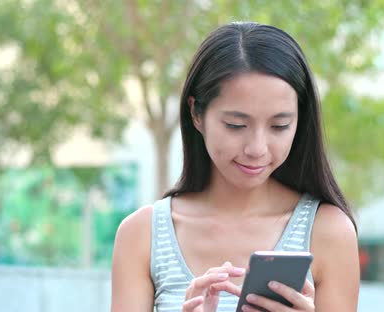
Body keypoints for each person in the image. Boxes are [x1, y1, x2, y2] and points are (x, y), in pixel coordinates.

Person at [111, 22, 360, 311]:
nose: (256, 149)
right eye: (236, 125)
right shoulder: (142, 235)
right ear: (196, 113)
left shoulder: (328, 231)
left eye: (279, 126)